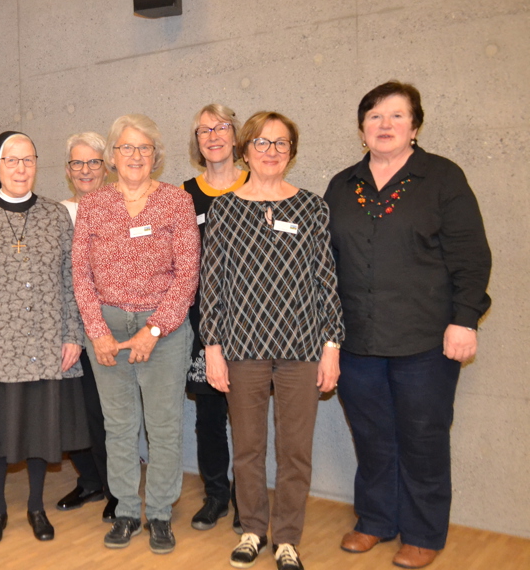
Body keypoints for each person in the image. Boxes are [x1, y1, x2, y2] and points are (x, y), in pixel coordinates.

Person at [324, 82, 491, 570]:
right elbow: (327, 263)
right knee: (372, 435)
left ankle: (423, 532)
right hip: (358, 340)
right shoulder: (343, 184)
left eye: (397, 116)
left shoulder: (442, 178)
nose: (385, 125)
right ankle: (376, 519)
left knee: (422, 436)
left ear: (415, 126)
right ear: (361, 129)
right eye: (375, 116)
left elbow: (471, 256)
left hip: (425, 340)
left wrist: (465, 320)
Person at [200, 111, 343, 570]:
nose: (271, 152)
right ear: (245, 150)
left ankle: (286, 538)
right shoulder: (225, 208)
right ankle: (253, 531)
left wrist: (332, 346)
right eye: (262, 143)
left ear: (292, 153)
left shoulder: (312, 207)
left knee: (295, 450)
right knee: (247, 448)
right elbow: (212, 284)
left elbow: (327, 281)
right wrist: (212, 348)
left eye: (281, 144)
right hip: (242, 349)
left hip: (302, 348)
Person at [72, 114, 201, 555]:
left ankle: (160, 513)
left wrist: (154, 329)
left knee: (163, 426)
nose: (134, 156)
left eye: (143, 148)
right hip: (106, 329)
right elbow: (80, 275)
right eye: (125, 148)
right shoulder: (92, 206)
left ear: (155, 156)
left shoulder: (176, 202)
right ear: (111, 156)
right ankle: (126, 509)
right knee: (119, 426)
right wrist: (97, 332)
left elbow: (187, 274)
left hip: (162, 331)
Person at [0, 132, 88, 545]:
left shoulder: (54, 215)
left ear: (35, 164)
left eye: (27, 160)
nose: (20, 168)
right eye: (11, 161)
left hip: (45, 344)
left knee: (38, 431)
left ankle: (35, 507)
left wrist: (73, 334)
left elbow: (72, 279)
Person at [181, 104, 248, 533]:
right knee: (209, 417)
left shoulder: (256, 183)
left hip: (251, 323)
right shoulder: (184, 194)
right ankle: (217, 496)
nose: (214, 135)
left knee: (248, 418)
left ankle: (249, 499)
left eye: (222, 127)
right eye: (204, 129)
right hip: (203, 324)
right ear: (197, 140)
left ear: (236, 136)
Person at [55, 131, 117, 522]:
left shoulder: (119, 207)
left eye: (93, 162)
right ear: (67, 170)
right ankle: (90, 479)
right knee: (67, 410)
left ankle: (115, 487)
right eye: (78, 163)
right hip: (64, 325)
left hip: (104, 325)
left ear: (107, 166)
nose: (85, 170)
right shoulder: (58, 211)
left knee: (100, 410)